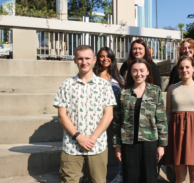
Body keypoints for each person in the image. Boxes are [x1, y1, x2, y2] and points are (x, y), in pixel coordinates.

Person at [53, 45, 117, 183]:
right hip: (72, 145)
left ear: (94, 60)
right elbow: (62, 116)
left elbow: (108, 115)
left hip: (97, 145)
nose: (84, 62)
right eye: (80, 59)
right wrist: (79, 137)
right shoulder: (66, 85)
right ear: (75, 60)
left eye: (87, 58)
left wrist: (92, 139)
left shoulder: (104, 85)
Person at [113, 58, 168, 183]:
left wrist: (162, 145)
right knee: (130, 178)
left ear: (148, 71)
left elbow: (161, 120)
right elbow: (117, 121)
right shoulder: (123, 93)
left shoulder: (155, 91)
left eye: (142, 71)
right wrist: (117, 146)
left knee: (149, 178)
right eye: (135, 71)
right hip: (128, 143)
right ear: (130, 73)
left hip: (150, 142)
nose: (138, 74)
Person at [166, 55, 194, 183]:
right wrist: (164, 137)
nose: (184, 70)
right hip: (176, 134)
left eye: (187, 67)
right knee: (179, 177)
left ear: (193, 69)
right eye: (181, 68)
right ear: (177, 70)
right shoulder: (172, 88)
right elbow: (168, 114)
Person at [93, 47, 125, 183]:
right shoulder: (92, 76)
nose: (105, 59)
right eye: (102, 56)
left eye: (108, 56)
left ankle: (120, 175)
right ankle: (92, 174)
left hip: (115, 117)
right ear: (97, 59)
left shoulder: (118, 78)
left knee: (119, 146)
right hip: (97, 118)